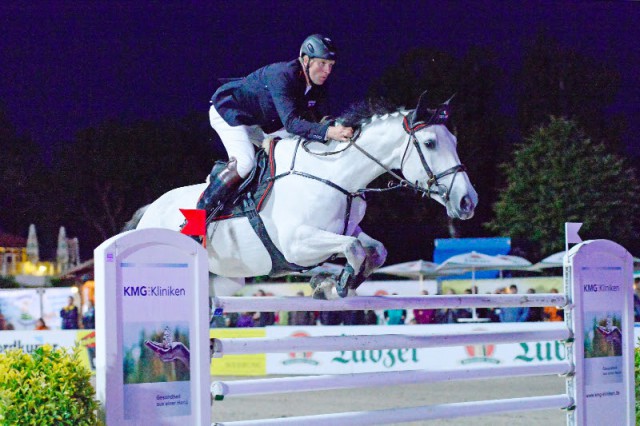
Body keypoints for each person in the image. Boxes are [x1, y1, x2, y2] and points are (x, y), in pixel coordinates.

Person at [197, 34, 354, 212]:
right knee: (244, 162)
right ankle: (196, 218)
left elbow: (321, 119)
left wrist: (344, 126)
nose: (327, 71)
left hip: (263, 122)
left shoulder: (318, 85)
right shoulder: (283, 75)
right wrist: (330, 132)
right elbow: (292, 124)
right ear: (305, 59)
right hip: (230, 112)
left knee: (300, 148)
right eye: (322, 63)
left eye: (331, 65)